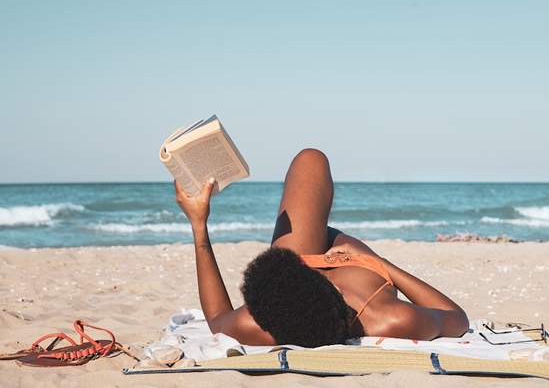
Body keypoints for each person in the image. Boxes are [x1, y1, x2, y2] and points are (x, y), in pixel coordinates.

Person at [174, 148, 469, 347]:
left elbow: (216, 319)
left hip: (296, 273)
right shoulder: (389, 318)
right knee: (312, 159)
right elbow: (457, 318)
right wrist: (378, 263)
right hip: (357, 267)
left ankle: (309, 242)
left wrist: (199, 224)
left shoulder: (259, 323)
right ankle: (328, 236)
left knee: (309, 159)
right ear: (336, 290)